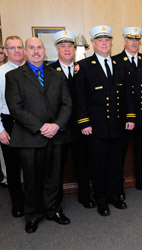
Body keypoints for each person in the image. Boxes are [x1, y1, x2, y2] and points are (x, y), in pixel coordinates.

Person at [5, 37, 72, 233]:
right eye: (31, 48)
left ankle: (53, 210)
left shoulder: (57, 75)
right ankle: (33, 215)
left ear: (45, 50)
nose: (36, 51)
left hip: (56, 136)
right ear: (26, 51)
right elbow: (15, 108)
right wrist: (42, 126)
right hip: (29, 137)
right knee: (32, 179)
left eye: (39, 47)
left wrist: (57, 125)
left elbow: (67, 104)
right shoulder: (14, 76)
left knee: (54, 177)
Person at [74, 25, 135, 216]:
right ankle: (101, 200)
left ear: (111, 43)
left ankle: (114, 196)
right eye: (100, 41)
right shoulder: (83, 66)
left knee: (116, 164)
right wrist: (84, 122)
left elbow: (128, 94)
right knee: (99, 166)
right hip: (96, 128)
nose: (104, 44)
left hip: (118, 126)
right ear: (93, 44)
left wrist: (130, 117)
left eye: (107, 40)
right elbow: (80, 98)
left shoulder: (121, 65)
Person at [49, 30, 95, 208]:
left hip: (80, 126)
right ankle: (56, 201)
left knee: (83, 163)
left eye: (70, 46)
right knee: (57, 167)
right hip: (59, 128)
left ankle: (84, 196)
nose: (67, 49)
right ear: (57, 49)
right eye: (63, 46)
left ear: (74, 49)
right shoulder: (50, 70)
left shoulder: (83, 68)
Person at [113, 27, 142, 195]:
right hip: (122, 117)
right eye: (131, 39)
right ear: (124, 41)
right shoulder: (115, 60)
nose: (134, 42)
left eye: (137, 39)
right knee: (119, 154)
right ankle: (118, 186)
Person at [0, 36, 25, 217]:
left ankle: (34, 200)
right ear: (6, 52)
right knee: (13, 166)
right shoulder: (0, 73)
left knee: (33, 165)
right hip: (9, 123)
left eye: (19, 47)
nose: (16, 51)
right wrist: (0, 129)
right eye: (12, 48)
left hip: (32, 123)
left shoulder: (33, 69)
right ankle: (17, 202)